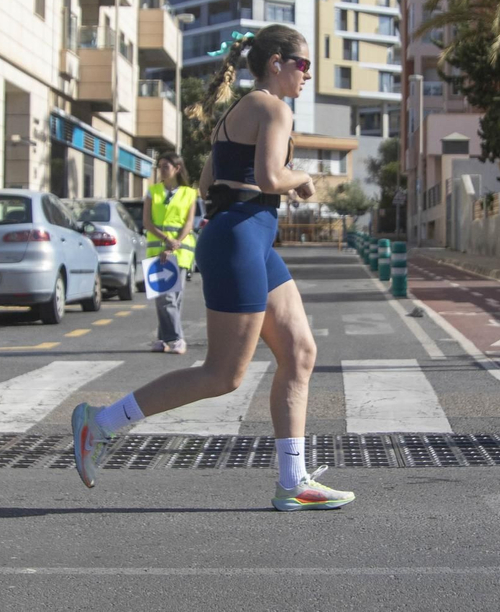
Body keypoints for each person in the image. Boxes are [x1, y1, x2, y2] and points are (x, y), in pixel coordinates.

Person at [71, 25, 353, 511]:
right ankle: (99, 425)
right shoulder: (273, 107)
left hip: (247, 237)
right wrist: (301, 178)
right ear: (277, 63)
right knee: (223, 374)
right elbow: (268, 177)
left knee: (300, 352)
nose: (307, 75)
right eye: (303, 65)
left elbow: (207, 181)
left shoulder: (239, 112)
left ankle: (294, 481)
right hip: (242, 239)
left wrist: (265, 191)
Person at [143, 154, 198, 354]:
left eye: (165, 166)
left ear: (176, 168)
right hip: (157, 251)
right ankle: (175, 338)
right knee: (163, 297)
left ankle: (162, 339)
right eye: (159, 167)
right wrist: (167, 241)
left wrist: (175, 243)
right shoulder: (152, 192)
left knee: (174, 298)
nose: (161, 170)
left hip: (180, 252)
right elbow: (147, 222)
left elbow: (189, 223)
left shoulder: (189, 193)